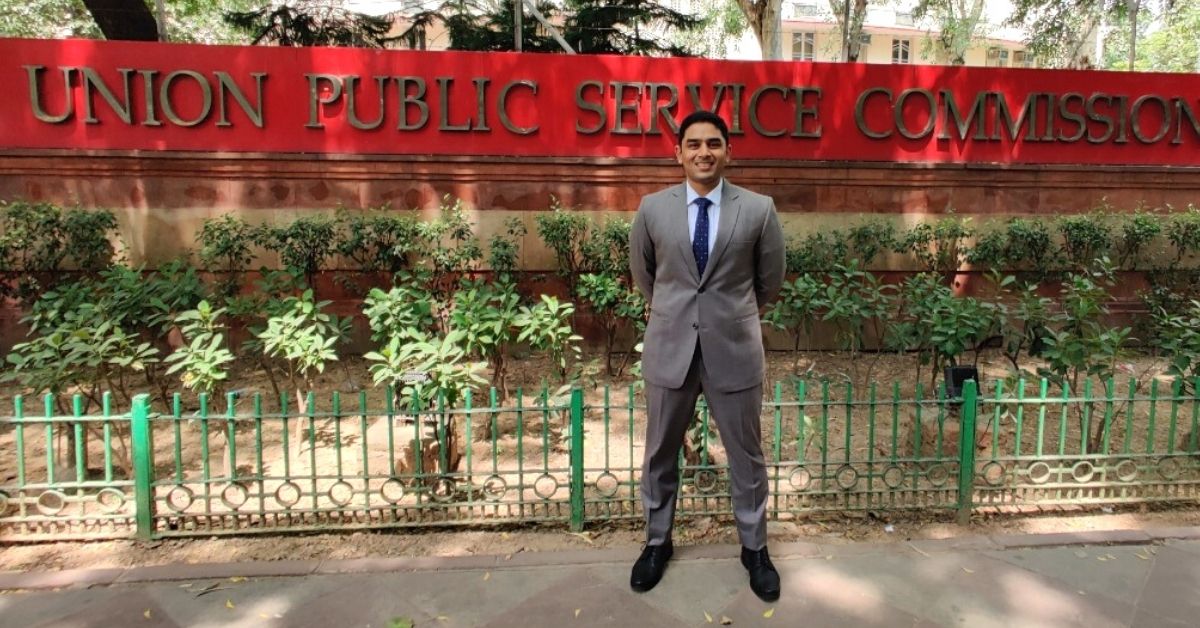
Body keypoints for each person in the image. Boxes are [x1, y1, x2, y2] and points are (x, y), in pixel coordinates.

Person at [628, 110, 786, 601]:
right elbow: (645, 277)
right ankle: (657, 542)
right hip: (670, 347)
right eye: (693, 143)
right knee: (659, 453)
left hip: (733, 350)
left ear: (728, 152)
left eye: (713, 143)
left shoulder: (758, 209)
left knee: (747, 456)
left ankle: (754, 549)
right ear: (678, 153)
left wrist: (730, 316)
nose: (703, 152)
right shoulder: (652, 209)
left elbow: (770, 281)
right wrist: (678, 314)